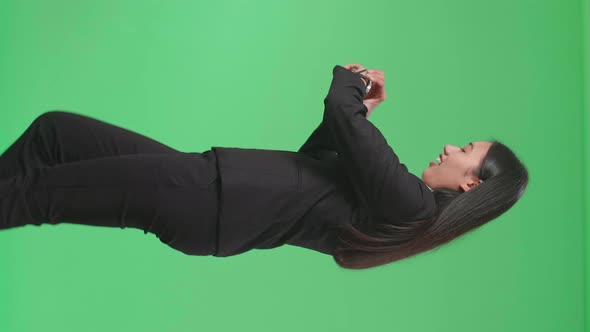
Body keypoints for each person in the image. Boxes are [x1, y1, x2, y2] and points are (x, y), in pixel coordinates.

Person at [0, 64, 529, 270]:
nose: (450, 147)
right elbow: (319, 160)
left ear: (470, 182)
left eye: (466, 151)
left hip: (205, 198)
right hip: (206, 184)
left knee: (38, 192)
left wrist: (352, 81)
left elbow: (339, 114)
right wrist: (363, 110)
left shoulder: (410, 205)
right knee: (57, 134)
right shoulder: (394, 202)